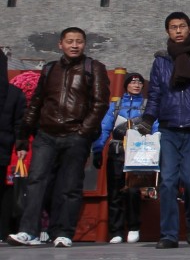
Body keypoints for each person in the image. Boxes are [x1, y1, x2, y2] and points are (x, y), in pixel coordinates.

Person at [7, 27, 110, 248]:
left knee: (70, 185)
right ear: (60, 44)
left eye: (79, 42)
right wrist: (24, 134)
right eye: (70, 41)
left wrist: (84, 131)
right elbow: (37, 102)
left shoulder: (94, 68)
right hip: (46, 134)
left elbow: (100, 103)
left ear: (85, 44)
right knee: (36, 182)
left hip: (76, 134)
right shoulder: (50, 69)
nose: (75, 45)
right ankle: (28, 231)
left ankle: (63, 232)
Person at [135, 11, 190, 249]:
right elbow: (154, 93)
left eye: (182, 26)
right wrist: (147, 119)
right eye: (173, 27)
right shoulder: (162, 60)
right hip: (169, 126)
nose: (178, 31)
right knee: (167, 181)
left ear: (189, 29)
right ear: (167, 31)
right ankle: (169, 235)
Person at [91, 71, 152, 244]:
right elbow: (105, 128)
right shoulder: (116, 106)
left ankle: (133, 227)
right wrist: (97, 149)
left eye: (139, 82)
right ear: (126, 85)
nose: (136, 85)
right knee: (115, 191)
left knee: (133, 191)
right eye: (132, 82)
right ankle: (116, 230)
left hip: (138, 153)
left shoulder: (147, 106)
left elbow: (155, 128)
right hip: (117, 151)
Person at [0, 51, 27, 239]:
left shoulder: (14, 94)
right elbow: (20, 123)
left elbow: (19, 123)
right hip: (4, 147)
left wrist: (21, 145)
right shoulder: (14, 93)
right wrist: (20, 145)